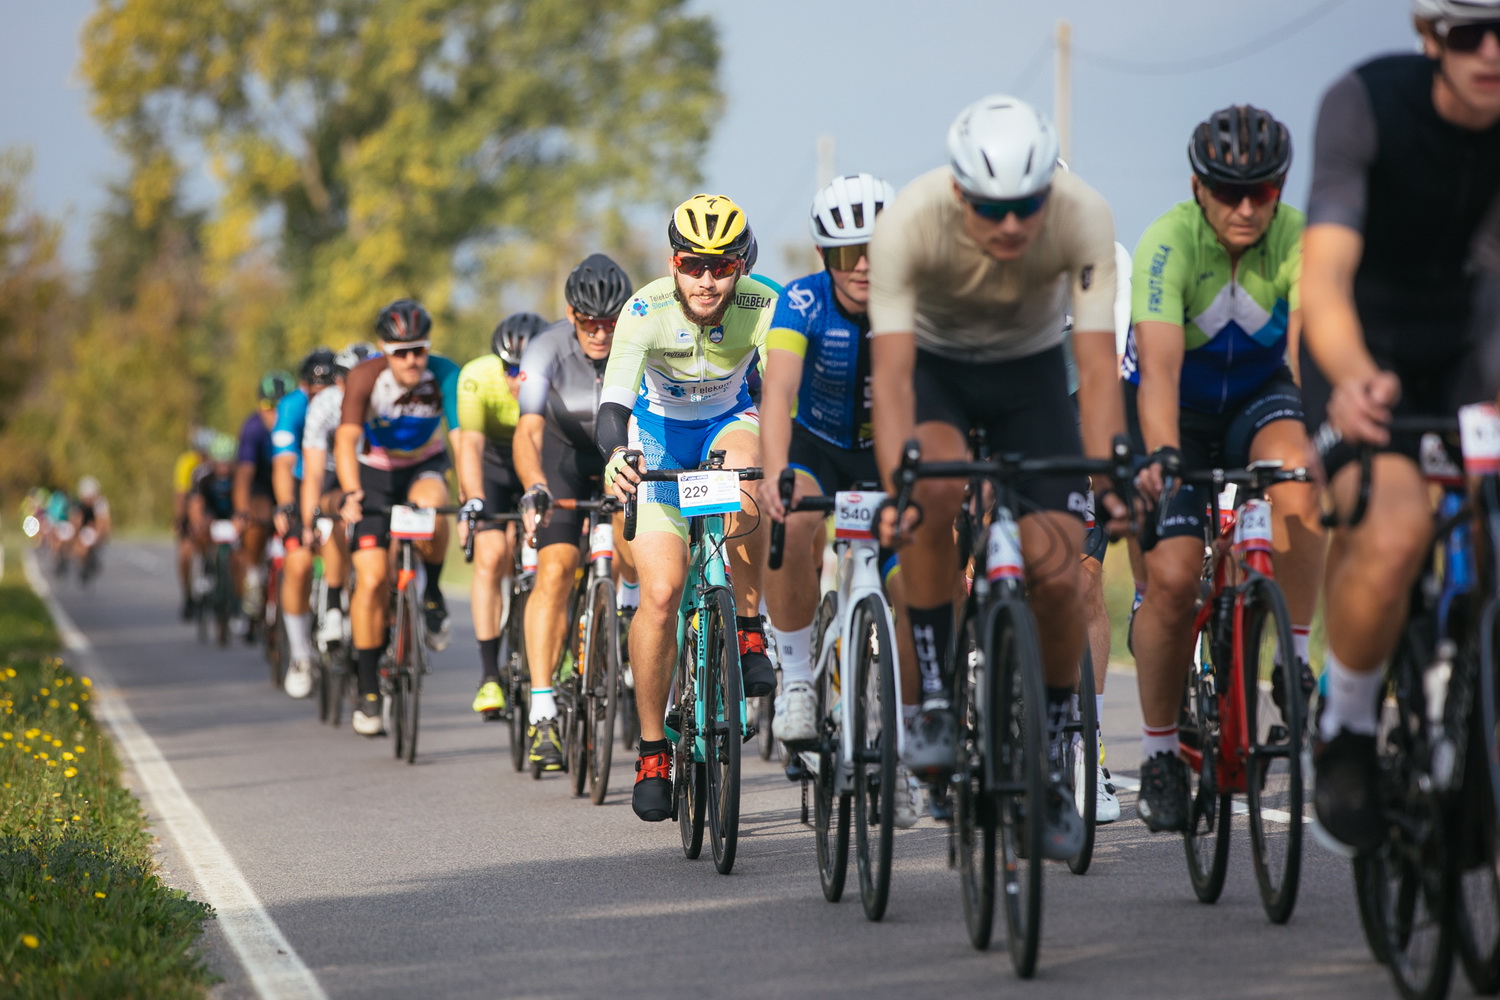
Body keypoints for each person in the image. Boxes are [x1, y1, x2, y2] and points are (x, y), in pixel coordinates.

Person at [867, 95, 1129, 860]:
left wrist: (1109, 472)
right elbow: (890, 381)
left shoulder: (1084, 214)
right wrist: (897, 491)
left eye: (1026, 206)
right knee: (934, 493)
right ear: (958, 192)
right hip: (937, 371)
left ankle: (1050, 752)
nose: (1012, 225)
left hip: (1032, 376)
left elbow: (1097, 370)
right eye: (991, 208)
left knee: (1058, 569)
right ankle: (936, 705)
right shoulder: (909, 222)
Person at [1300, 0, 1500, 851]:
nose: (1491, 51)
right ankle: (1345, 727)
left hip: (1469, 351)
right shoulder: (1365, 104)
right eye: (1468, 34)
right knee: (1395, 528)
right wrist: (1350, 380)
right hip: (1362, 349)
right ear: (1430, 39)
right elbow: (1324, 283)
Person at [1122, 105, 1321, 832]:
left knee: (1301, 474)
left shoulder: (1298, 238)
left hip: (1260, 400)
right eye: (1228, 191)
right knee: (1173, 578)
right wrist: (1168, 462)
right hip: (1177, 413)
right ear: (1197, 186)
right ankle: (1159, 753)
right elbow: (1161, 378)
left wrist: (1323, 440)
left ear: (1280, 188)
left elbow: (1307, 352)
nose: (1245, 208)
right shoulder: (1167, 244)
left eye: (1262, 192)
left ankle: (1291, 659)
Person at [598, 194, 779, 821]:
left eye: (722, 265)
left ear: (741, 265)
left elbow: (784, 388)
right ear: (672, 263)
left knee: (750, 482)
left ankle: (750, 630)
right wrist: (617, 456)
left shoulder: (763, 302)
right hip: (658, 435)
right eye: (691, 264)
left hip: (728, 421)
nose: (706, 279)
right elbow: (614, 405)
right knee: (661, 592)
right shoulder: (643, 310)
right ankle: (653, 751)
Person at [756, 174, 924, 827]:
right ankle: (798, 677)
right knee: (795, 522)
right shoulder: (800, 301)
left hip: (884, 450)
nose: (863, 266)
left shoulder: (908, 302)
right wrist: (775, 476)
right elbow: (776, 395)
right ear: (826, 258)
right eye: (847, 253)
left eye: (876, 249)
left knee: (915, 577)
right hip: (817, 445)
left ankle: (902, 750)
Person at [509, 255, 639, 771]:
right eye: (590, 322)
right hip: (562, 460)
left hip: (623, 455)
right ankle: (543, 711)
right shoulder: (546, 348)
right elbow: (528, 430)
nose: (602, 334)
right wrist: (535, 486)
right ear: (571, 315)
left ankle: (625, 612)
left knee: (638, 551)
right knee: (557, 569)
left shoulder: (641, 341)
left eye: (611, 322)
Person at [337, 301, 461, 736]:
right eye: (401, 352)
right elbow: (347, 438)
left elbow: (460, 436)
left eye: (419, 351)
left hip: (423, 464)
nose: (411, 360)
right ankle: (369, 687)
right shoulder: (365, 377)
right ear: (384, 350)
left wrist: (473, 496)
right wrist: (351, 493)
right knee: (370, 580)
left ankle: (432, 594)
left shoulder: (445, 373)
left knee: (434, 504)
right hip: (375, 473)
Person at [456, 311, 540, 723]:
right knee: (490, 555)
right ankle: (490, 674)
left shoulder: (557, 371)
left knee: (547, 551)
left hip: (540, 460)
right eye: (509, 370)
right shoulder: (476, 377)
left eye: (525, 370)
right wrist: (472, 499)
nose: (516, 380)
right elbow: (468, 446)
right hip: (492, 466)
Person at [299, 343, 378, 654]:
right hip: (335, 475)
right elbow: (314, 474)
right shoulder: (325, 405)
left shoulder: (387, 402)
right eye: (348, 379)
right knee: (334, 511)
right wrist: (309, 522)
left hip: (373, 472)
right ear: (339, 381)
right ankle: (333, 602)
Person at [274, 348, 340, 698]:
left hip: (340, 482)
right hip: (303, 485)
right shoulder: (292, 407)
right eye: (314, 388)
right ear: (303, 387)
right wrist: (287, 505)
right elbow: (284, 464)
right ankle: (300, 656)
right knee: (298, 563)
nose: (322, 394)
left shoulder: (343, 403)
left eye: (328, 385)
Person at [235, 370, 295, 637]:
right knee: (256, 521)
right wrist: (241, 511)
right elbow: (244, 474)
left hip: (292, 481)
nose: (274, 412)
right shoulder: (253, 428)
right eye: (268, 406)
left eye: (281, 405)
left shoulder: (298, 419)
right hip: (261, 484)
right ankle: (253, 579)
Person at [173, 428, 213, 618]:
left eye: (207, 453)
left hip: (212, 508)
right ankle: (188, 596)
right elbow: (181, 494)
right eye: (201, 453)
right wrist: (180, 519)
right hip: (192, 508)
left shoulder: (217, 463)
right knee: (185, 554)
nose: (204, 456)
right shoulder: (187, 463)